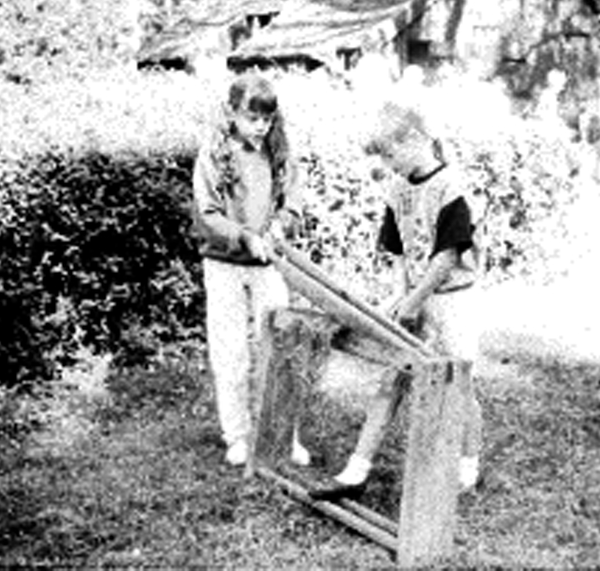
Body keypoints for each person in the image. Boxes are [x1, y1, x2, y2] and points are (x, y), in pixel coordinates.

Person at [311, 101, 483, 498]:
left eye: (390, 154)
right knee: (393, 378)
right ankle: (356, 470)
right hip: (416, 298)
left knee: (459, 385)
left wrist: (415, 299)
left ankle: (468, 469)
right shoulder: (397, 188)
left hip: (453, 301)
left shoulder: (451, 188)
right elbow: (398, 250)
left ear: (416, 140)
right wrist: (400, 293)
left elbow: (447, 256)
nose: (387, 165)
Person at [191, 72, 309, 467]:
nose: (260, 126)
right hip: (223, 263)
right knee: (231, 353)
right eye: (251, 118)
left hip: (267, 262)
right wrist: (244, 237)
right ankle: (238, 436)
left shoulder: (279, 150)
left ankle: (284, 433)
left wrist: (279, 226)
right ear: (232, 113)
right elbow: (207, 214)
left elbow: (293, 200)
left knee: (281, 346)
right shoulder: (213, 153)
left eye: (267, 119)